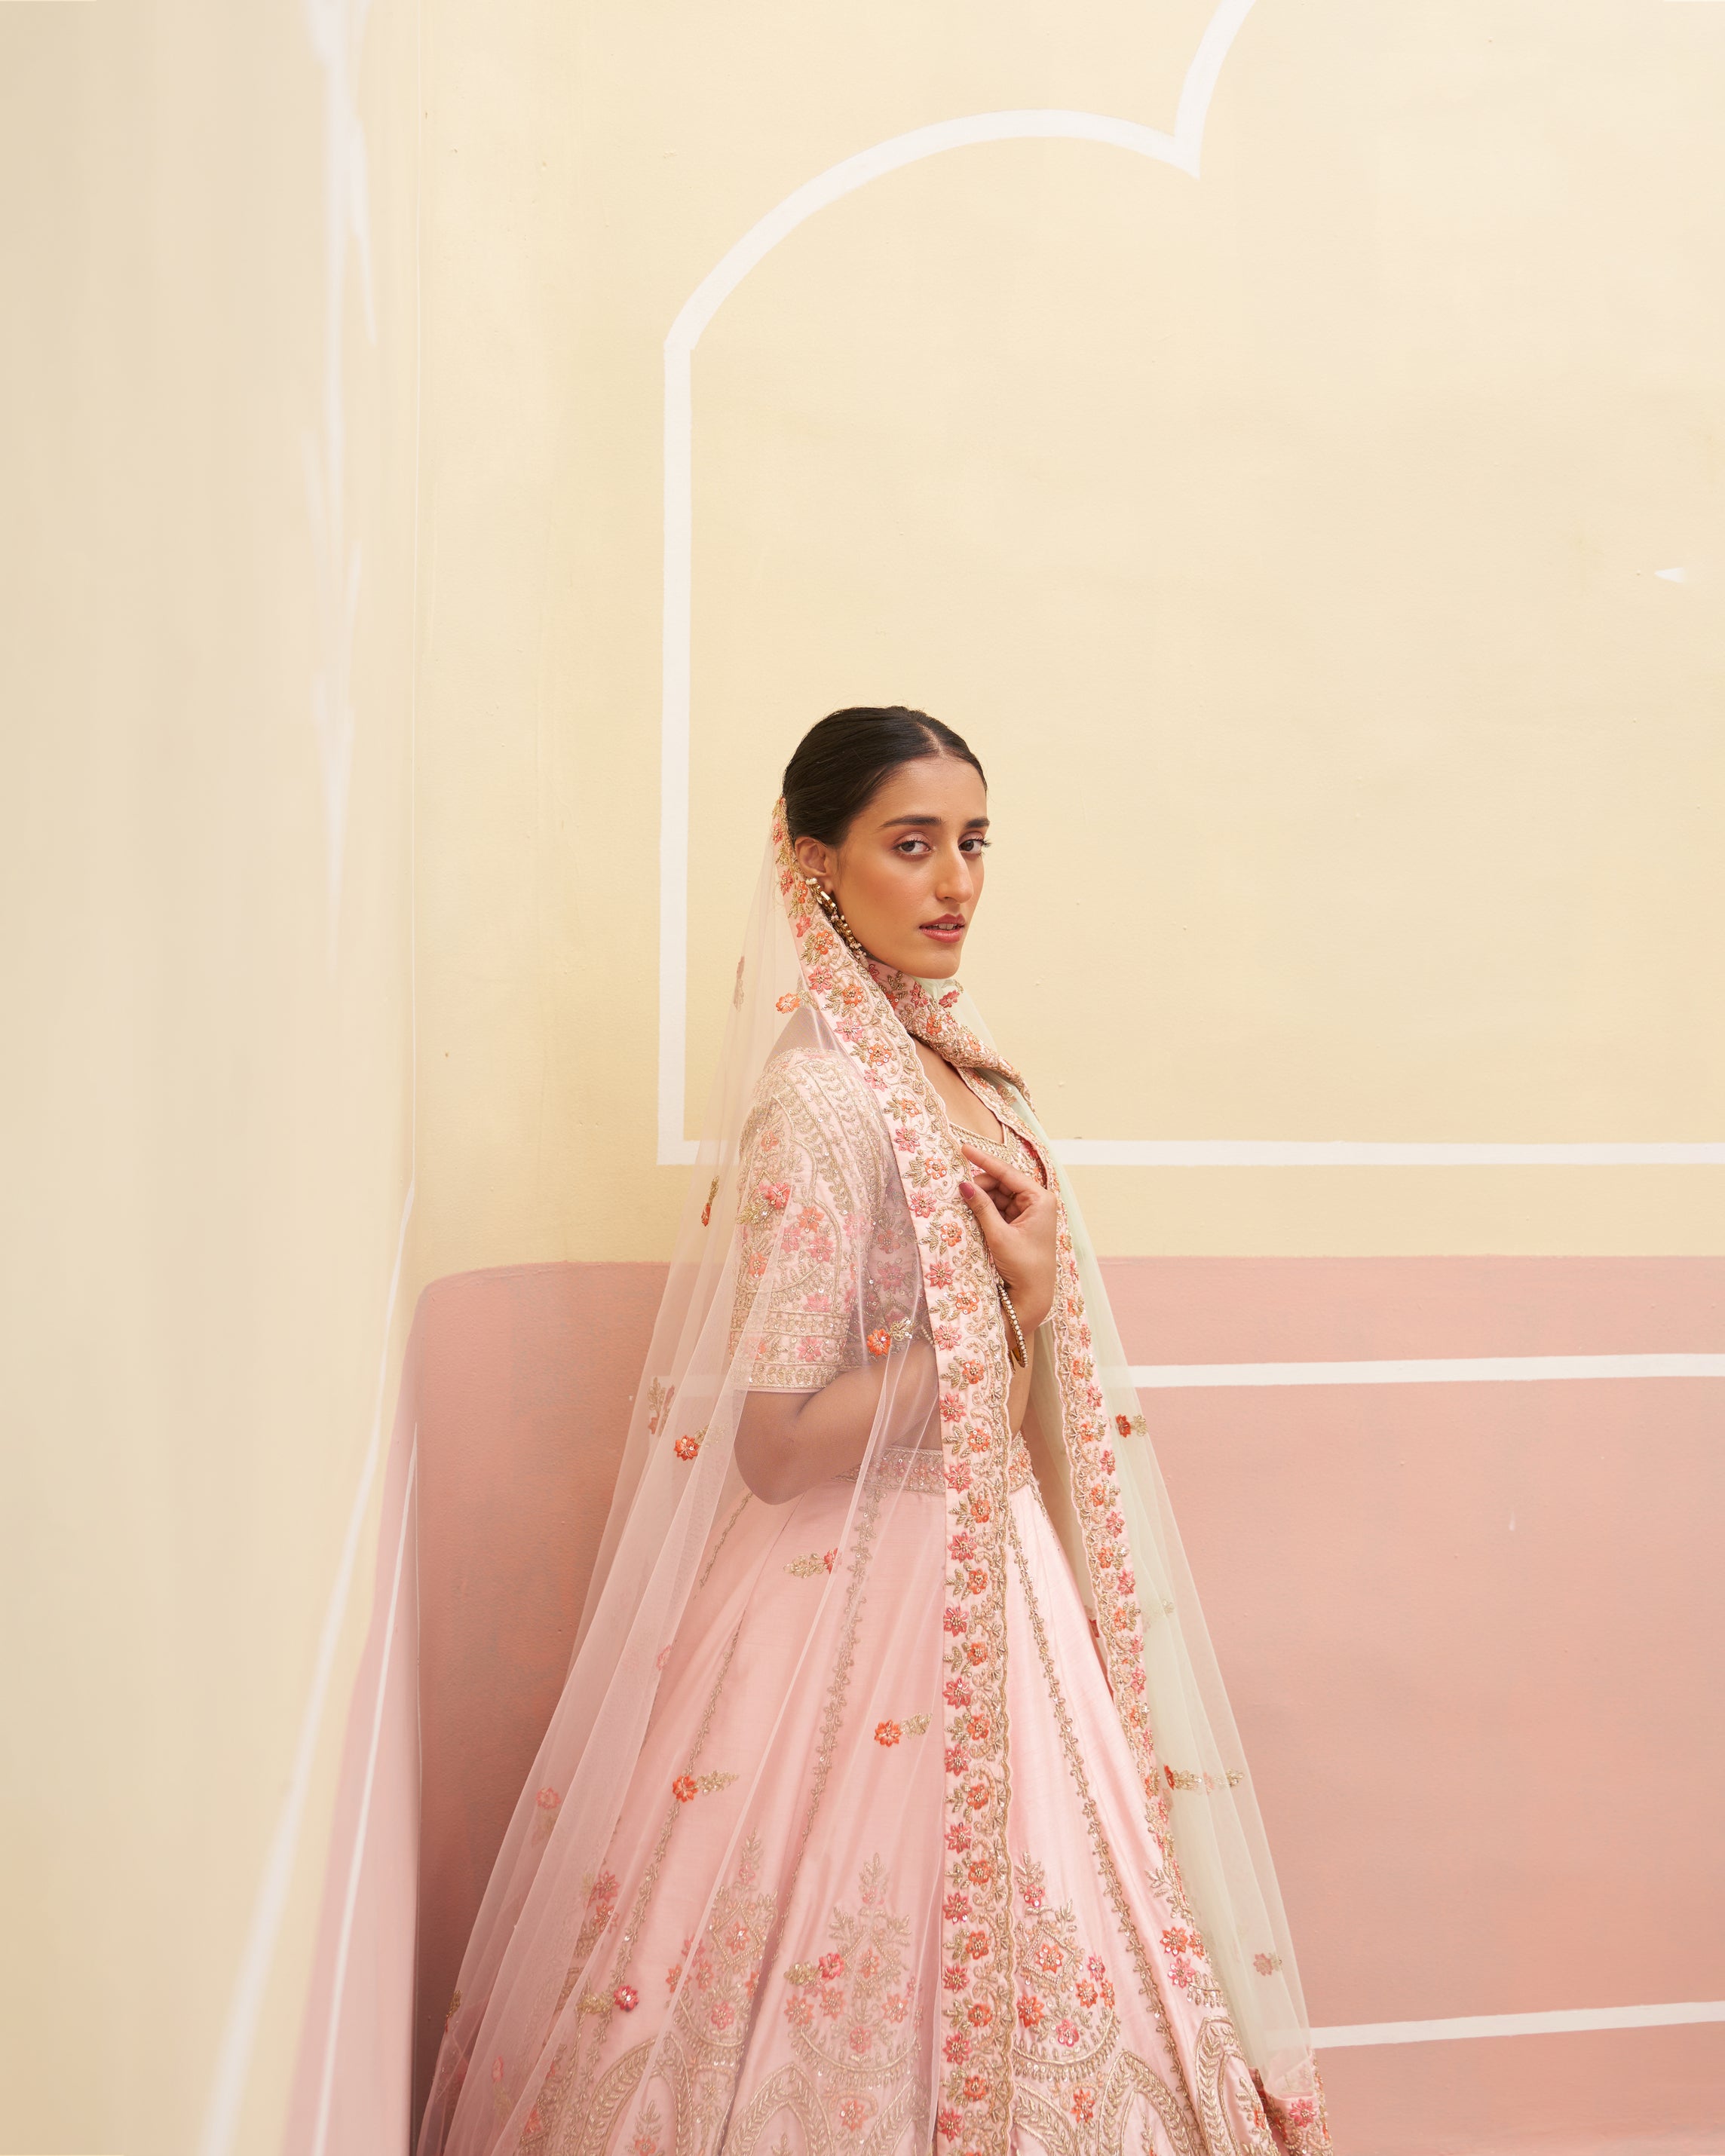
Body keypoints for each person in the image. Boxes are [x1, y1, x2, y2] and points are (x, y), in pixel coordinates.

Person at [417, 709, 1334, 2156]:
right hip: (842, 1602)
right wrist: (995, 1319)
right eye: (911, 845)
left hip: (998, 1569)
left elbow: (1000, 1345)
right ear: (815, 866)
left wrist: (1008, 1311)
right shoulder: (825, 1102)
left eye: (972, 843)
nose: (954, 880)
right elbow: (776, 1443)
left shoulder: (964, 1069)